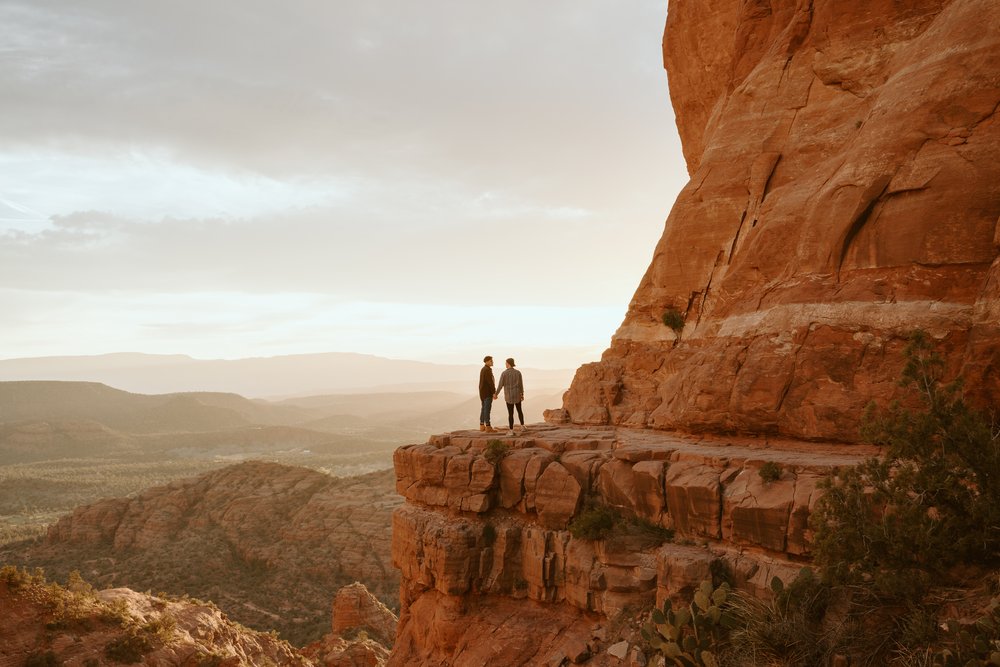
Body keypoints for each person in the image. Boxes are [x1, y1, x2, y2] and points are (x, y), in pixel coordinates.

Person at [493, 357, 524, 436]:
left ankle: (511, 430)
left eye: (506, 363)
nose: (505, 364)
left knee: (510, 413)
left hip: (508, 396)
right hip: (517, 394)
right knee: (519, 410)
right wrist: (522, 394)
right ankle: (522, 426)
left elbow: (500, 385)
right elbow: (521, 385)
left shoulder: (504, 373)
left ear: (509, 363)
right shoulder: (518, 373)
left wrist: (496, 394)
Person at [479, 355, 497, 432]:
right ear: (486, 361)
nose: (492, 362)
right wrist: (494, 392)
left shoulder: (483, 369)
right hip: (487, 392)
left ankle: (482, 425)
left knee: (483, 408)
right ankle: (488, 427)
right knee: (487, 409)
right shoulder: (487, 370)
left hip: (482, 392)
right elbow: (490, 382)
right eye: (491, 361)